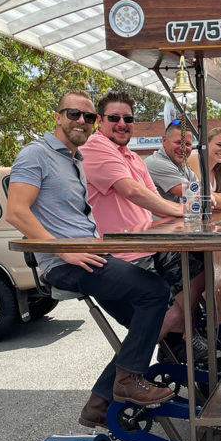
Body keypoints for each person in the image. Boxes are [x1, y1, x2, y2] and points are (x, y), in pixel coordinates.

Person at [6, 90, 175, 430]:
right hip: (65, 264)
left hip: (90, 255)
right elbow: (15, 211)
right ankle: (125, 383)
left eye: (88, 117)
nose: (81, 121)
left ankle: (99, 404)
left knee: (157, 323)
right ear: (57, 116)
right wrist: (61, 249)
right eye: (73, 114)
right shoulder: (35, 154)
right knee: (154, 292)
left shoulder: (75, 160)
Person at [79, 91, 208, 364]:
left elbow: (154, 202)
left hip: (147, 245)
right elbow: (133, 191)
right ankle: (110, 389)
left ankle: (184, 340)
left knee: (200, 267)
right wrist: (183, 212)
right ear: (100, 121)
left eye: (128, 118)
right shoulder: (95, 148)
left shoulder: (134, 158)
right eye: (114, 117)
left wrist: (181, 219)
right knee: (170, 314)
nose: (122, 123)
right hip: (121, 252)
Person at [145, 119, 197, 203]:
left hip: (175, 215)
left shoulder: (184, 168)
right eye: (178, 142)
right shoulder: (157, 163)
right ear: (164, 141)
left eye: (187, 144)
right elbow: (195, 195)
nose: (183, 148)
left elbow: (204, 193)